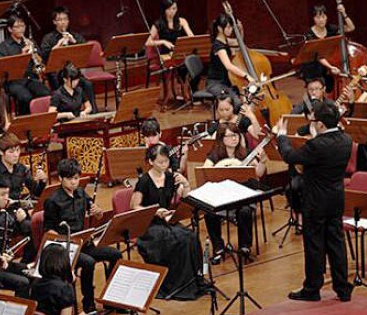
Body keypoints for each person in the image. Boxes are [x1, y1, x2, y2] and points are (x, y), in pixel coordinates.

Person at [275, 101, 354, 302]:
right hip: (336, 198)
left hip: (316, 202)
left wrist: (281, 136)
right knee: (336, 243)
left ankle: (312, 288)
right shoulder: (346, 139)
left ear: (320, 124)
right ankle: (343, 288)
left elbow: (289, 156)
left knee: (315, 245)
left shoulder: (317, 145)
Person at [43, 158, 122, 314]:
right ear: (60, 179)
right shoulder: (52, 201)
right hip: (67, 249)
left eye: (76, 178)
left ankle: (111, 300)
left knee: (115, 254)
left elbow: (97, 215)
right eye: (69, 179)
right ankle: (89, 305)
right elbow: (48, 231)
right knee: (88, 263)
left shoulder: (80, 193)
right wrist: (66, 240)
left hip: (85, 244)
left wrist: (98, 211)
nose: (74, 182)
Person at [131, 144, 204, 300]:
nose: (164, 165)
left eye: (166, 162)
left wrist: (185, 184)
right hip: (149, 226)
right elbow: (135, 206)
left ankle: (193, 281)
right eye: (160, 162)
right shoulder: (144, 181)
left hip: (166, 221)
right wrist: (154, 211)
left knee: (191, 237)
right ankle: (177, 285)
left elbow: (184, 198)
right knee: (179, 240)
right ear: (151, 162)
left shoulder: (170, 177)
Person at [201, 123, 266, 254]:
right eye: (230, 136)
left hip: (243, 197)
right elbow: (204, 173)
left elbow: (258, 173)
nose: (234, 138)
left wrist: (263, 162)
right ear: (222, 139)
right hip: (223, 198)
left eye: (236, 135)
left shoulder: (245, 153)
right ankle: (218, 247)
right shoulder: (214, 155)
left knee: (245, 211)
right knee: (209, 213)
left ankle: (245, 246)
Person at [39, 6, 95, 107]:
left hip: (73, 72)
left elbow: (85, 50)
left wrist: (73, 42)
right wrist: (58, 45)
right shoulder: (48, 38)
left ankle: (93, 111)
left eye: (65, 19)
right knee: (59, 85)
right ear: (54, 22)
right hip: (56, 73)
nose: (63, 22)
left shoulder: (75, 36)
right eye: (59, 20)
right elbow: (44, 55)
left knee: (88, 84)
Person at [0, 14, 51, 115]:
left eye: (23, 26)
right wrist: (22, 56)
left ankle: (41, 121)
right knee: (25, 97)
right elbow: (4, 70)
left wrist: (34, 53)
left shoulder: (30, 42)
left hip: (31, 78)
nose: (21, 29)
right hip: (13, 82)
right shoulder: (3, 47)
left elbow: (40, 61)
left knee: (45, 93)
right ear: (10, 29)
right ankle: (24, 122)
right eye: (17, 27)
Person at [146, 0, 194, 101]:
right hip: (165, 55)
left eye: (174, 8)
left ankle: (184, 89)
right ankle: (169, 94)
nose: (172, 12)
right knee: (172, 65)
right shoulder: (158, 24)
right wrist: (163, 41)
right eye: (169, 9)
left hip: (179, 53)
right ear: (164, 10)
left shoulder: (182, 21)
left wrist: (188, 41)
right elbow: (148, 42)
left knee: (188, 63)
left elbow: (191, 37)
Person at [0, 133, 47, 204]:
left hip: (18, 209)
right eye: (11, 152)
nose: (16, 155)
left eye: (18, 150)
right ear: (1, 152)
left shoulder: (22, 169)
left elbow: (36, 193)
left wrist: (43, 181)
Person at [207, 13, 256, 100]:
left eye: (231, 27)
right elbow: (228, 66)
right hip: (216, 83)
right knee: (235, 103)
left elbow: (239, 42)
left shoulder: (225, 40)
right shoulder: (218, 46)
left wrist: (241, 30)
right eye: (228, 27)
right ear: (219, 28)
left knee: (244, 97)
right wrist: (246, 76)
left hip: (225, 81)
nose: (231, 30)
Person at [305, 3, 356, 80]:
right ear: (313, 18)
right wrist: (331, 67)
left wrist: (344, 14)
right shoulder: (309, 34)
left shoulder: (330, 28)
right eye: (318, 17)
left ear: (326, 17)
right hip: (315, 68)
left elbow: (351, 28)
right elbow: (318, 56)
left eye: (323, 16)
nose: (321, 20)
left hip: (331, 67)